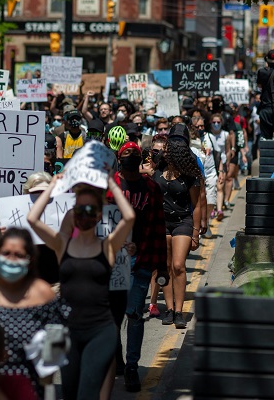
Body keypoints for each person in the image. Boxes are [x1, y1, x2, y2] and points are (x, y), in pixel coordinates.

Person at [27, 174, 136, 400]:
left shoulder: (108, 246)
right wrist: (53, 187)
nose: (83, 214)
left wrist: (113, 184)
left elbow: (129, 216)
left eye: (89, 209)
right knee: (69, 391)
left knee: (87, 392)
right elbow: (32, 218)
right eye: (79, 208)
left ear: (98, 215)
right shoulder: (61, 244)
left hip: (100, 329)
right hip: (67, 330)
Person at [110, 142, 168, 392]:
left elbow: (158, 228)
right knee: (113, 317)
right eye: (127, 154)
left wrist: (161, 267)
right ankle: (116, 358)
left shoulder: (151, 189)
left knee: (134, 314)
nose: (132, 158)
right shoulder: (108, 188)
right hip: (113, 262)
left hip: (140, 260)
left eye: (136, 154)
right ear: (119, 159)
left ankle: (132, 367)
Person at [0, 228, 67, 398]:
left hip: (31, 389)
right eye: (6, 253)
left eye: (18, 255)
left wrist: (47, 378)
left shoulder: (43, 294)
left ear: (30, 259)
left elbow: (57, 341)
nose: (11, 260)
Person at [152, 124, 202, 329]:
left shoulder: (190, 172)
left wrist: (196, 233)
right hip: (160, 223)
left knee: (178, 266)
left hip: (182, 221)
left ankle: (179, 311)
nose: (172, 146)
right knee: (165, 268)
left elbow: (197, 205)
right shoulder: (157, 167)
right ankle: (170, 309)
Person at [209, 113, 230, 220]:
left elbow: (228, 150)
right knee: (212, 188)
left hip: (222, 163)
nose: (216, 124)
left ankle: (219, 209)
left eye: (218, 122)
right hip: (211, 163)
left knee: (220, 186)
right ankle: (212, 209)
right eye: (214, 122)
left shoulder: (226, 135)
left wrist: (228, 163)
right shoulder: (208, 135)